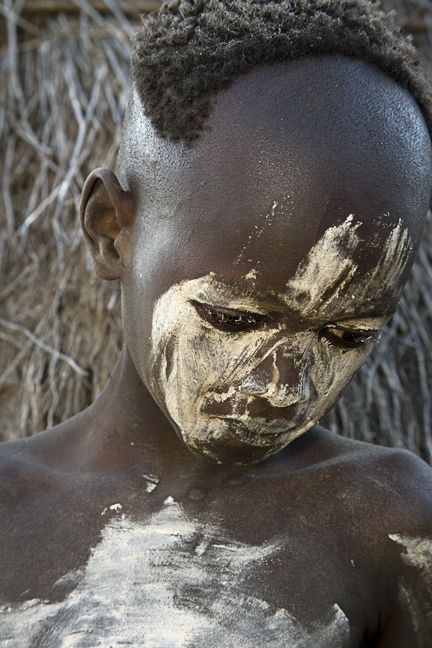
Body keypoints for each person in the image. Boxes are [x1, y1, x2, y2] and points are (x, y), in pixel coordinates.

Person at [1, 0, 432, 645]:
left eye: (345, 335)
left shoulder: (392, 527)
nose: (285, 386)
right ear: (111, 233)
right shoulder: (11, 514)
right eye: (231, 317)